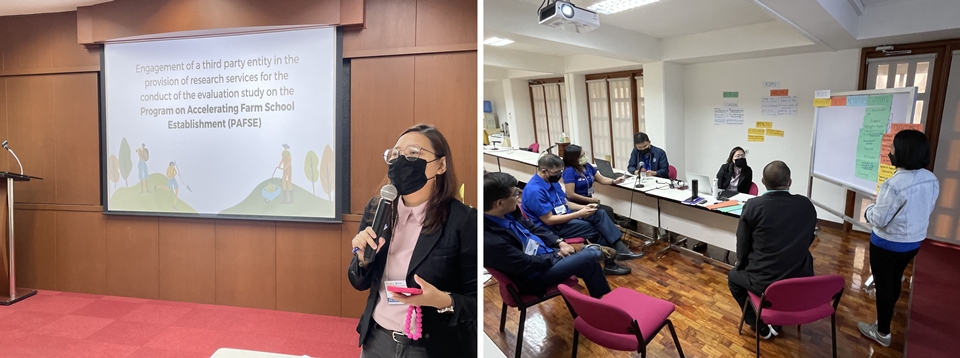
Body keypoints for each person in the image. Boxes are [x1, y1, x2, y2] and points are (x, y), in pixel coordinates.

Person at [348, 124, 476, 358]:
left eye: (413, 153)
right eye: (395, 154)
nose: (401, 160)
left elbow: (475, 302)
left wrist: (442, 300)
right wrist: (362, 260)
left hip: (431, 347)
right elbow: (358, 281)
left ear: (441, 165)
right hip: (377, 340)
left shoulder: (463, 220)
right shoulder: (377, 209)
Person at [858, 129, 939, 347]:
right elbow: (925, 209)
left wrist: (868, 210)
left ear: (903, 152)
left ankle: (882, 332)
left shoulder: (893, 185)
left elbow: (879, 220)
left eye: (892, 148)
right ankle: (887, 312)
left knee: (884, 285)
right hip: (913, 243)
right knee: (895, 279)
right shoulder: (931, 179)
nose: (890, 153)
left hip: (887, 244)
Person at [484, 172, 614, 298]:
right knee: (590, 255)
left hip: (545, 254)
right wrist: (556, 255)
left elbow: (534, 228)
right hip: (536, 275)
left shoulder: (509, 212)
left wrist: (559, 242)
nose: (519, 197)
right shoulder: (490, 240)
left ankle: (603, 301)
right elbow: (526, 263)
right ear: (500, 203)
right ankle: (593, 251)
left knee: (588, 261)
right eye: (515, 194)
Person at [728, 161, 817, 339]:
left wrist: (741, 265)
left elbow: (743, 245)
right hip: (801, 277)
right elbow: (809, 238)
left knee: (733, 277)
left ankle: (759, 326)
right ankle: (778, 318)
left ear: (762, 181)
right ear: (789, 182)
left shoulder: (753, 206)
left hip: (765, 280)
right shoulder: (806, 205)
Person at [522, 153, 640, 275]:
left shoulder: (552, 182)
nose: (559, 175)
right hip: (552, 228)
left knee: (598, 213)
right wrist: (579, 213)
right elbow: (549, 220)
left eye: (560, 171)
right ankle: (610, 262)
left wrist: (584, 208)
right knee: (594, 229)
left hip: (563, 217)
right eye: (556, 172)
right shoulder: (534, 191)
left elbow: (566, 203)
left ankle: (619, 248)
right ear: (543, 171)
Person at [561, 144, 625, 221]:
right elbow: (570, 194)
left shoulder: (587, 166)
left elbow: (601, 180)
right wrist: (591, 200)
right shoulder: (569, 171)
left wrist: (614, 181)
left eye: (584, 154)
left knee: (608, 211)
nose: (584, 157)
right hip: (576, 204)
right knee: (605, 212)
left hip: (589, 201)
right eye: (581, 156)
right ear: (573, 158)